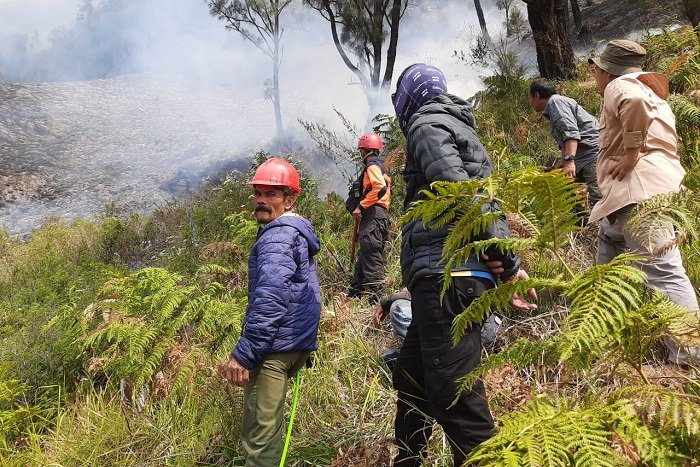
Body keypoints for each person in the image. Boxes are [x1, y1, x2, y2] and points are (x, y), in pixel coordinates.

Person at [391, 63, 538, 466]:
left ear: (409, 97)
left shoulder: (426, 125)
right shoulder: (457, 126)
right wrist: (504, 262)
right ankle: (408, 460)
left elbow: (463, 195)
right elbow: (482, 199)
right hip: (447, 275)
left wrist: (508, 266)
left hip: (447, 277)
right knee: (412, 376)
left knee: (454, 397)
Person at [588, 40, 700, 366]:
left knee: (665, 275)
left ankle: (688, 360)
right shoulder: (652, 91)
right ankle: (602, 342)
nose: (594, 73)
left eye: (596, 67)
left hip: (640, 197)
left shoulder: (622, 86)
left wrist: (631, 151)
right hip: (642, 195)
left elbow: (632, 102)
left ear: (607, 70)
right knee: (605, 275)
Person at [220, 158, 322, 466]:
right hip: (296, 345)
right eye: (258, 193)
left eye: (272, 194)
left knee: (259, 439)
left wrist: (244, 354)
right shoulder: (296, 232)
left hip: (274, 350)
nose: (261, 201)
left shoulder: (277, 235)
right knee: (269, 430)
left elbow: (271, 299)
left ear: (290, 199)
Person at [528, 77, 602, 214]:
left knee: (597, 195)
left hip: (592, 152)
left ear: (537, 95)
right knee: (563, 186)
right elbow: (565, 141)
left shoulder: (556, 103)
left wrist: (569, 162)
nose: (530, 102)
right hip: (582, 155)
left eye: (530, 97)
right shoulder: (554, 105)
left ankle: (611, 230)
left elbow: (571, 134)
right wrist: (560, 165)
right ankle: (581, 223)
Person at [346, 132, 392, 303]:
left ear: (364, 151)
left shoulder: (372, 165)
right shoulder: (383, 168)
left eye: (361, 151)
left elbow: (379, 188)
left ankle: (379, 301)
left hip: (372, 214)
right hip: (381, 216)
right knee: (366, 254)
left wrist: (360, 206)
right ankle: (354, 295)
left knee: (371, 257)